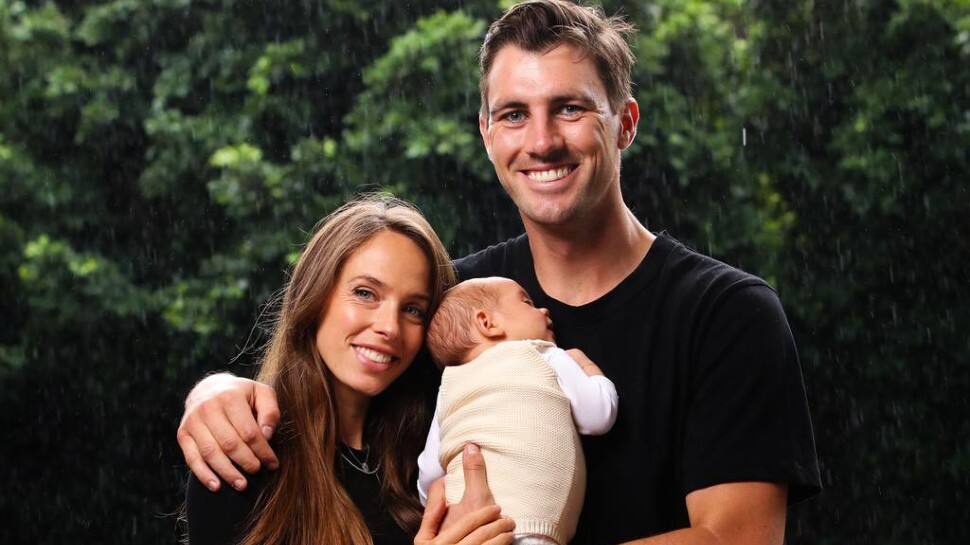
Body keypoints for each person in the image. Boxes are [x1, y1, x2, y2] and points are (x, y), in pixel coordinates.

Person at [177, 2, 821, 544]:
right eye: (514, 113)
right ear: (487, 133)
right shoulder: (448, 305)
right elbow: (334, 422)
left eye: (570, 108)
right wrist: (217, 392)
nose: (540, 141)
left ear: (624, 123)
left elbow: (733, 538)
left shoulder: (727, 315)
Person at [182, 195, 516, 545]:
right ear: (315, 294)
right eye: (365, 293)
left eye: (413, 309)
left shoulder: (433, 448)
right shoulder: (241, 449)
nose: (389, 326)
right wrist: (211, 387)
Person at [418, 277, 619, 545]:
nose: (544, 311)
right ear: (487, 323)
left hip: (469, 529)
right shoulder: (542, 354)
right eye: (527, 302)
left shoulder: (449, 386)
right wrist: (589, 369)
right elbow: (598, 417)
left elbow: (430, 475)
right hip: (530, 524)